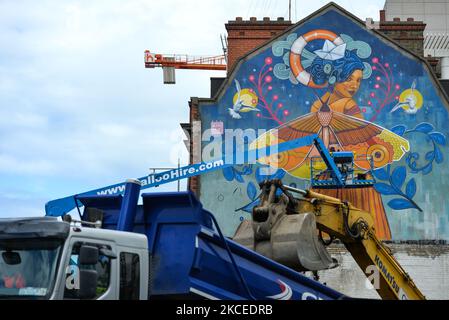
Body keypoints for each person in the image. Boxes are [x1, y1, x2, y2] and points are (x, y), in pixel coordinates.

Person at [306, 50, 392, 240]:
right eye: (348, 79)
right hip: (350, 181)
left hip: (325, 178)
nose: (354, 85)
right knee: (369, 234)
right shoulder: (349, 105)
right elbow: (360, 140)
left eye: (358, 80)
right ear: (335, 78)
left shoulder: (316, 106)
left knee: (320, 233)